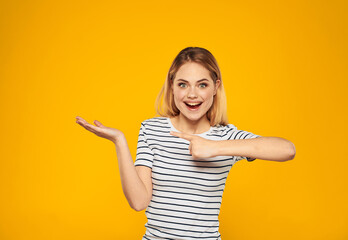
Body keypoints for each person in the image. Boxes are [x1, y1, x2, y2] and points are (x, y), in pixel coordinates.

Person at [76, 46, 296, 240]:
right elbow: (139, 202)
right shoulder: (151, 129)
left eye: (202, 85)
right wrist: (120, 142)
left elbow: (287, 149)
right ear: (172, 86)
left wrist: (214, 147)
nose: (192, 94)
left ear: (215, 87)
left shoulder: (226, 136)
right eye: (183, 84)